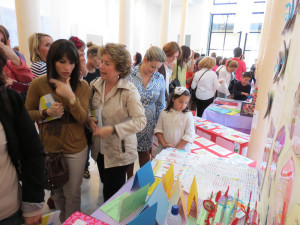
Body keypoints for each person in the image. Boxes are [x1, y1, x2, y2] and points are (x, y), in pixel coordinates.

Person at [25, 39, 90, 222]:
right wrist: (45, 113)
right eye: (62, 61)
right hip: (50, 148)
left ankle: (72, 220)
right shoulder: (39, 84)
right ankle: (65, 219)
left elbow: (83, 118)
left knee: (73, 195)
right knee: (58, 194)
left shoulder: (82, 86)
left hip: (76, 149)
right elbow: (26, 114)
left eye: (71, 62)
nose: (67, 67)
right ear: (52, 61)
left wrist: (70, 96)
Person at [87, 43, 146, 201]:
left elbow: (140, 121)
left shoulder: (129, 91)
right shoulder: (95, 85)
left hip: (120, 151)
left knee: (112, 195)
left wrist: (113, 129)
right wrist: (89, 119)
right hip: (99, 149)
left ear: (120, 68)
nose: (102, 67)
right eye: (101, 62)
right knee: (106, 184)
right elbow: (88, 109)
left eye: (107, 63)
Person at [0, 49, 45, 225]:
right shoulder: (39, 83)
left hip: (8, 212)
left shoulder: (8, 100)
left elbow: (32, 151)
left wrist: (32, 205)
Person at [127, 46, 166, 178]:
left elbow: (161, 104)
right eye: (152, 66)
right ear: (145, 59)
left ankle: (145, 186)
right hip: (129, 122)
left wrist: (160, 125)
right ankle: (127, 186)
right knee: (129, 155)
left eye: (158, 68)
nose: (154, 71)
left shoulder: (159, 78)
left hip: (148, 124)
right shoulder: (129, 75)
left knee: (144, 155)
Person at [154, 87, 195, 153]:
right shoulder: (164, 112)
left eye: (186, 103)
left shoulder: (188, 115)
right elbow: (158, 130)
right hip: (164, 149)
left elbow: (189, 135)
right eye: (181, 102)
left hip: (181, 150)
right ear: (173, 99)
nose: (183, 106)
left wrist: (175, 150)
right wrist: (164, 144)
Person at [0, 25, 33, 93]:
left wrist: (13, 56)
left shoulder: (8, 62)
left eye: (2, 41)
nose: (1, 45)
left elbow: (28, 78)